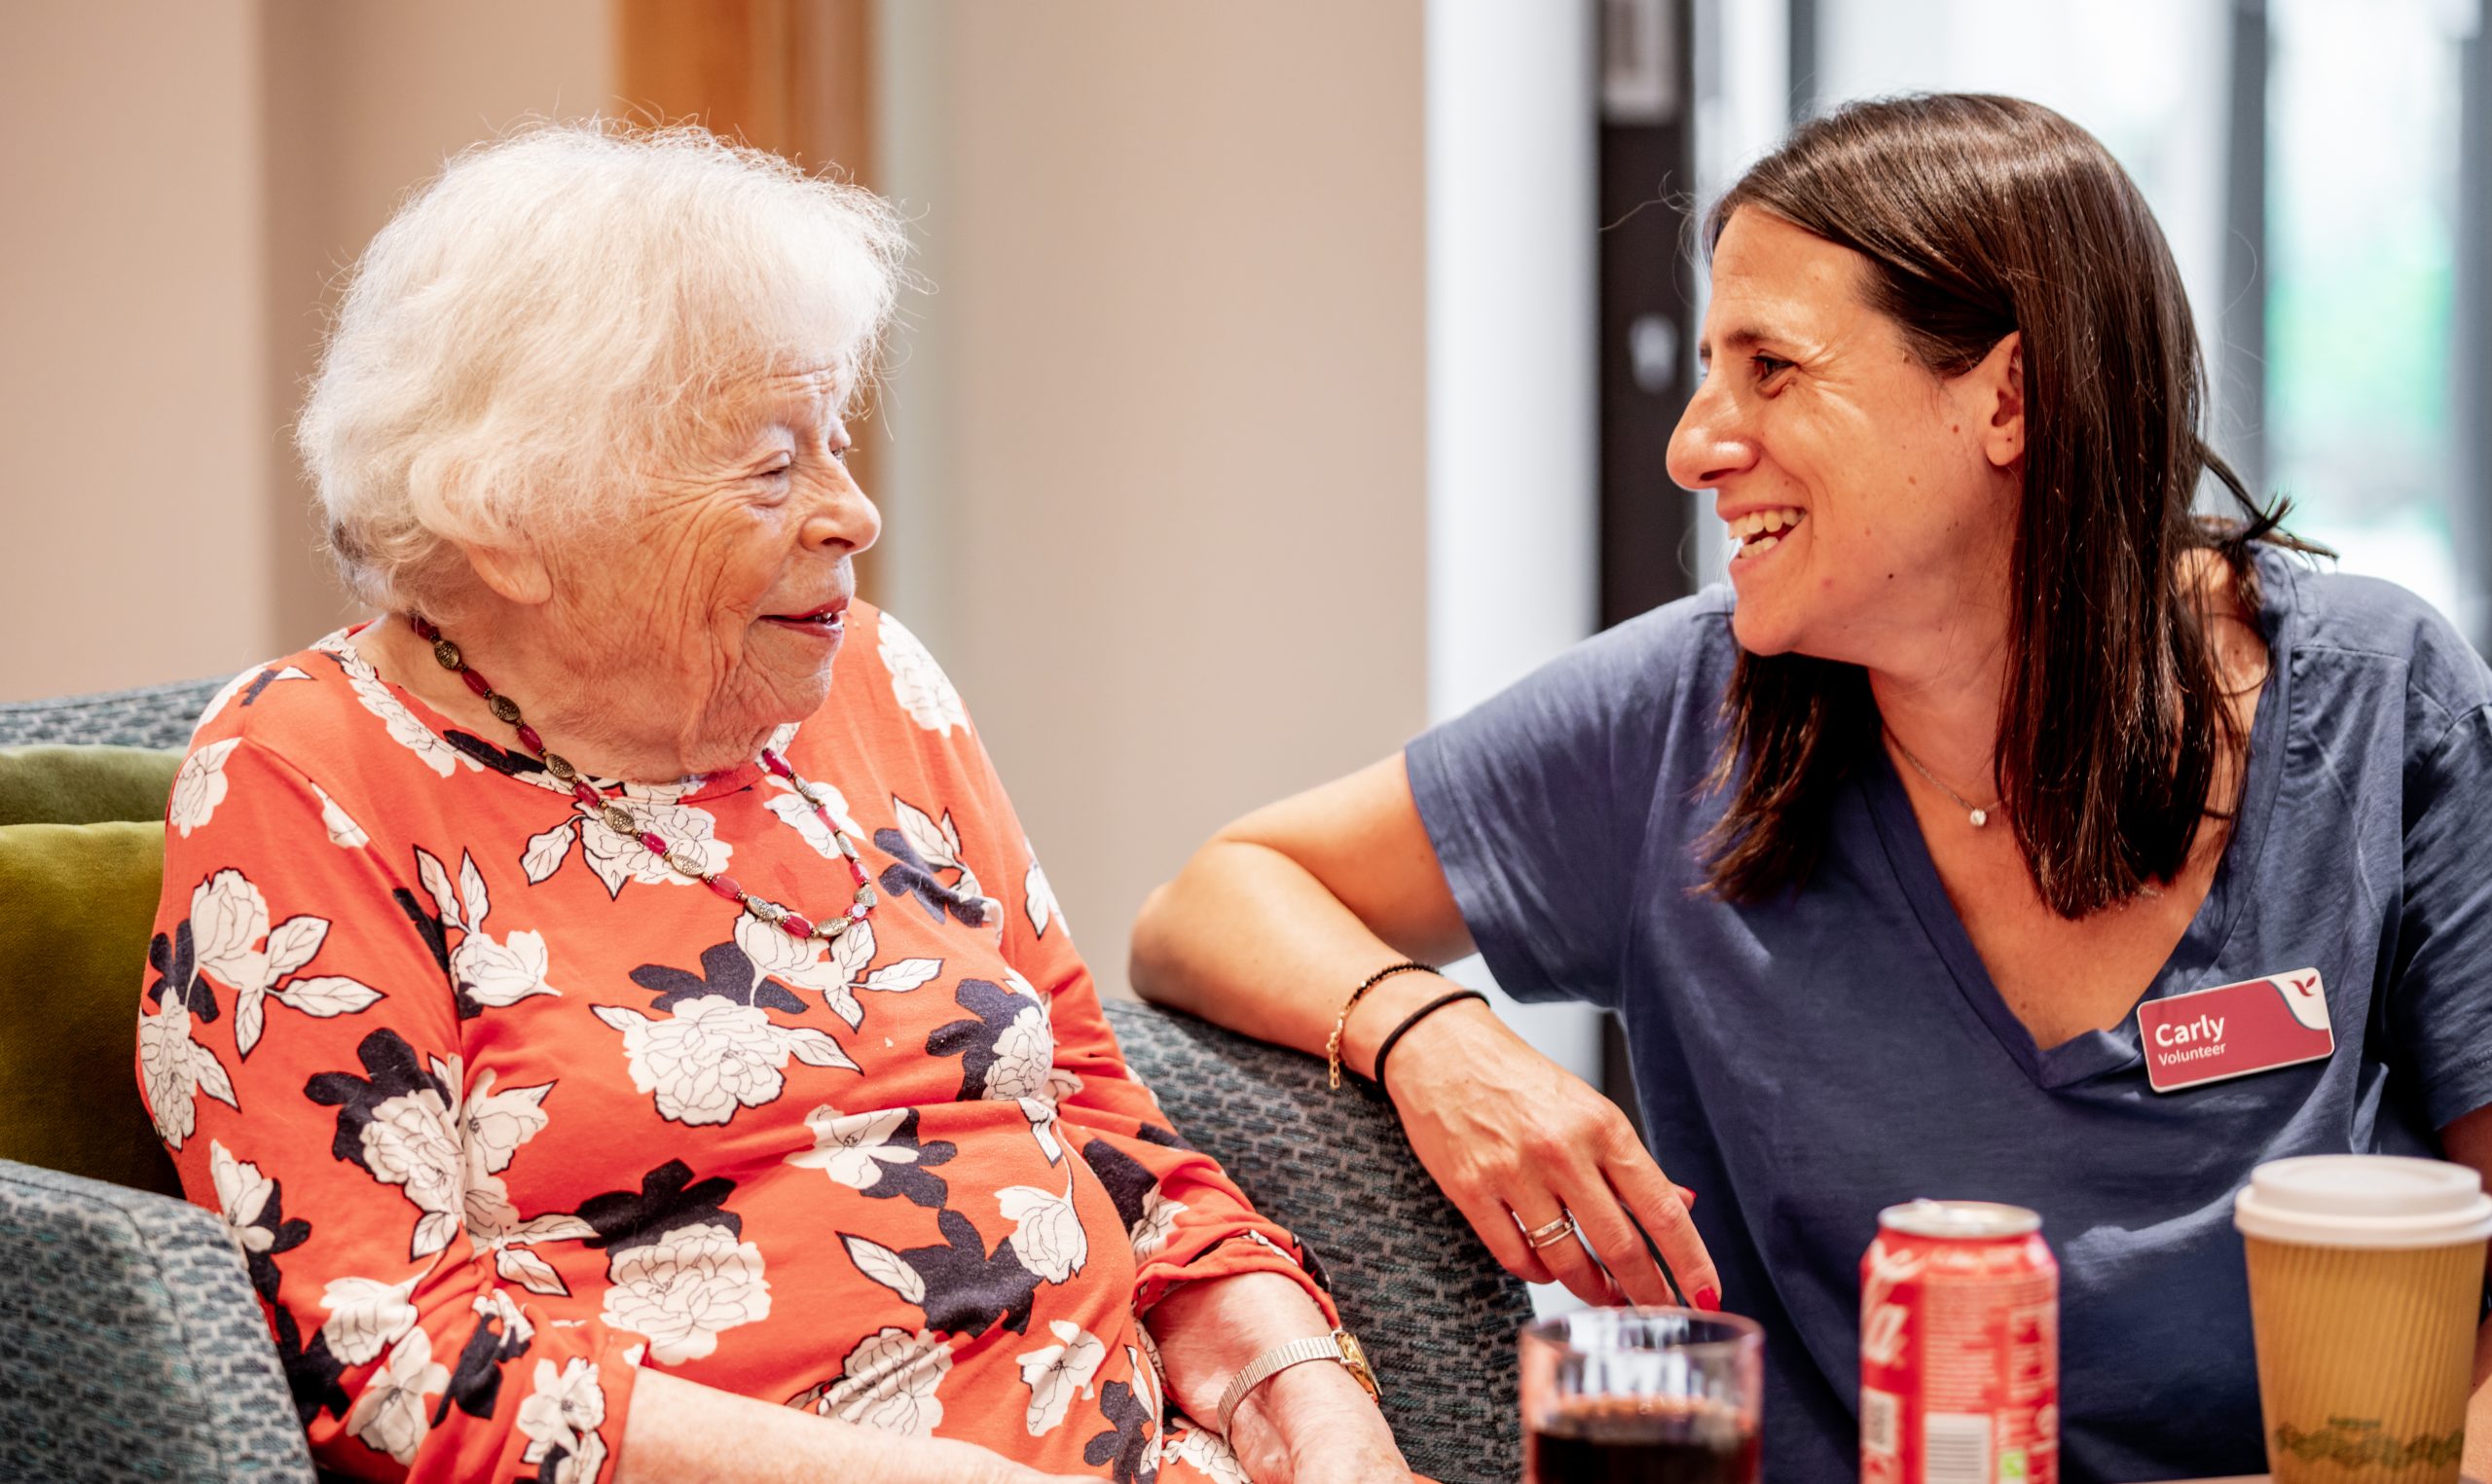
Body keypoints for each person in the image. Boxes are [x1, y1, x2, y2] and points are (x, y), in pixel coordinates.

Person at [1131, 92, 2492, 1483]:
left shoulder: (2380, 701)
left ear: (2006, 398)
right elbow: (1212, 900)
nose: (1696, 443)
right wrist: (1437, 1035)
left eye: (1772, 369)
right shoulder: (1683, 717)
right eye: (1711, 368)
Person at [140, 124, 1414, 1484]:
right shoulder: (307, 776)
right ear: (507, 514)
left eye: (836, 441)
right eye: (769, 466)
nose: (854, 512)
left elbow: (1100, 1121)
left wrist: (1316, 1413)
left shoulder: (871, 684)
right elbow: (396, 1364)